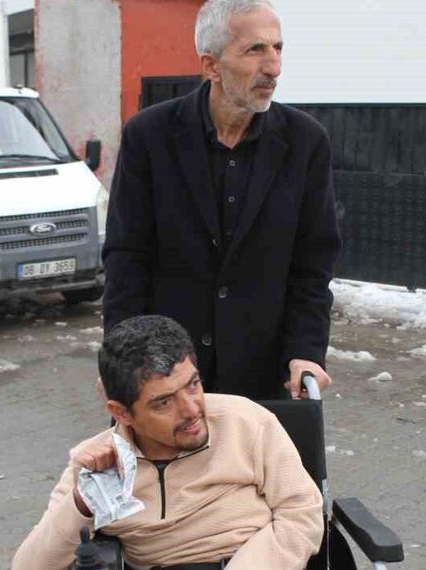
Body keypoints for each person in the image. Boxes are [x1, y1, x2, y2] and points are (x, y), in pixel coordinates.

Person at [11, 315, 356, 570]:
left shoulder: (246, 421)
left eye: (193, 384)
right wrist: (82, 504)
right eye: (163, 402)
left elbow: (301, 512)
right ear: (122, 412)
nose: (192, 409)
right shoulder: (95, 465)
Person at [101, 0, 341, 401]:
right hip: (163, 375)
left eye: (278, 48)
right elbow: (127, 257)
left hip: (264, 378)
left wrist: (306, 351)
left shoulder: (305, 142)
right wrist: (123, 360)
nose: (274, 67)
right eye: (255, 49)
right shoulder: (150, 136)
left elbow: (312, 264)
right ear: (211, 65)